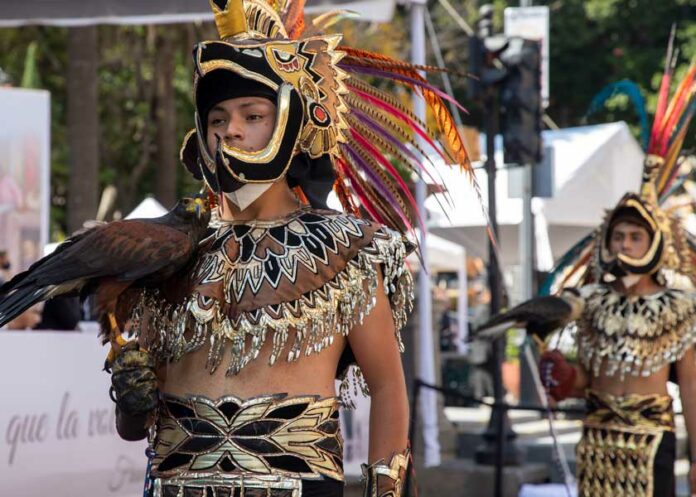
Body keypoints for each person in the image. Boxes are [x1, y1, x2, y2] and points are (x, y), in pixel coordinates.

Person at [107, 2, 474, 496]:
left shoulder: (349, 251)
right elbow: (135, 426)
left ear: (291, 126)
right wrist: (130, 400)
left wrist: (384, 491)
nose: (230, 130)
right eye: (217, 118)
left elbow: (387, 386)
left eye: (252, 115)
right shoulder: (171, 252)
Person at [482, 55, 696, 497]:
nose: (624, 245)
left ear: (654, 244)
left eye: (635, 237)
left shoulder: (681, 305)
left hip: (651, 441)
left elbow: (691, 383)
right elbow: (585, 379)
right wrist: (563, 376)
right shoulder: (588, 300)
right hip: (596, 441)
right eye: (618, 236)